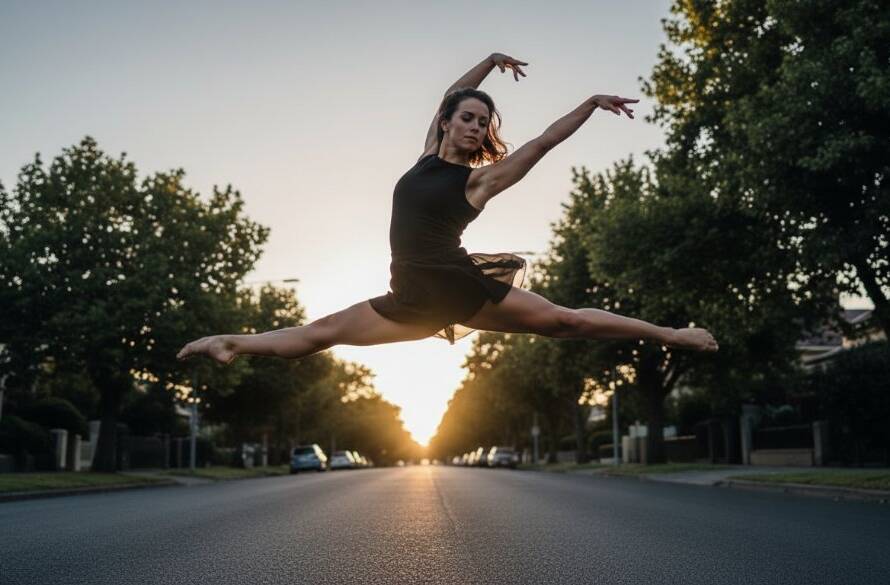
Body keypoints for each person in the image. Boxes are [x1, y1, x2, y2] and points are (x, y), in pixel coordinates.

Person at [177, 52, 718, 364]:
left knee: (564, 321)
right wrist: (489, 61)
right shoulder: (423, 159)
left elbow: (544, 142)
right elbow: (455, 89)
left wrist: (591, 104)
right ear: (445, 121)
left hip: (456, 284)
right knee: (321, 334)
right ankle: (229, 344)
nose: (476, 125)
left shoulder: (479, 180)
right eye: (467, 117)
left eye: (483, 122)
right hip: (410, 295)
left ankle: (671, 334)